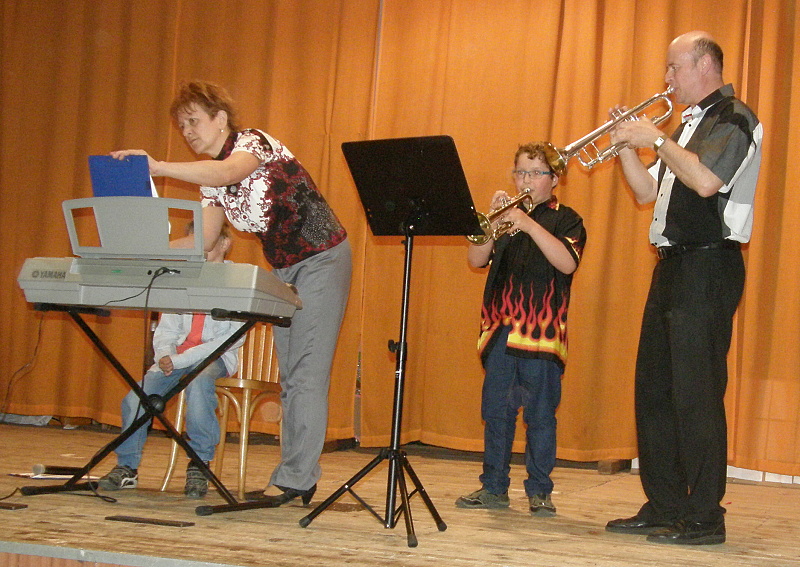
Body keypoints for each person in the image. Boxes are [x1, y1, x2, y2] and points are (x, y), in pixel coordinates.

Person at [110, 80, 352, 507]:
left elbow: (227, 172)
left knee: (306, 375)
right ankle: (297, 475)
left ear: (220, 118)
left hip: (322, 259)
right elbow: (202, 241)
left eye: (194, 121)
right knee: (292, 378)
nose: (188, 132)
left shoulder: (253, 143)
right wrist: (139, 248)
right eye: (182, 125)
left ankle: (296, 477)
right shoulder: (211, 184)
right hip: (285, 270)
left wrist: (159, 167)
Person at [605, 31, 762, 545]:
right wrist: (624, 147)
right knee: (653, 389)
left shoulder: (735, 118)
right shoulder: (686, 126)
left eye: (674, 67)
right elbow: (646, 192)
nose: (667, 78)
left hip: (709, 265)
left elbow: (706, 182)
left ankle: (704, 516)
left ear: (704, 65)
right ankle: (665, 504)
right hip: (671, 266)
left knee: (696, 392)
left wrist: (655, 139)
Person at [456, 142, 586, 516]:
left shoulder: (568, 219)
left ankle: (540, 491)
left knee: (540, 416)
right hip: (501, 329)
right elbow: (476, 258)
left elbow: (567, 264)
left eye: (535, 173)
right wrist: (493, 224)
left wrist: (528, 224)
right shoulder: (505, 218)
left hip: (542, 333)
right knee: (496, 413)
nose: (526, 181)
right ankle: (493, 488)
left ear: (554, 179)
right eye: (520, 173)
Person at [98, 224, 246, 498]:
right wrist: (165, 355)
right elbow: (166, 329)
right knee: (136, 397)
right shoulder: (180, 277)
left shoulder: (238, 280)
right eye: (194, 240)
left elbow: (229, 339)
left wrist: (179, 360)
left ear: (225, 243)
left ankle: (199, 463)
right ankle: (127, 467)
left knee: (199, 383)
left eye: (208, 240)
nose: (200, 246)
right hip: (176, 358)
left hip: (215, 358)